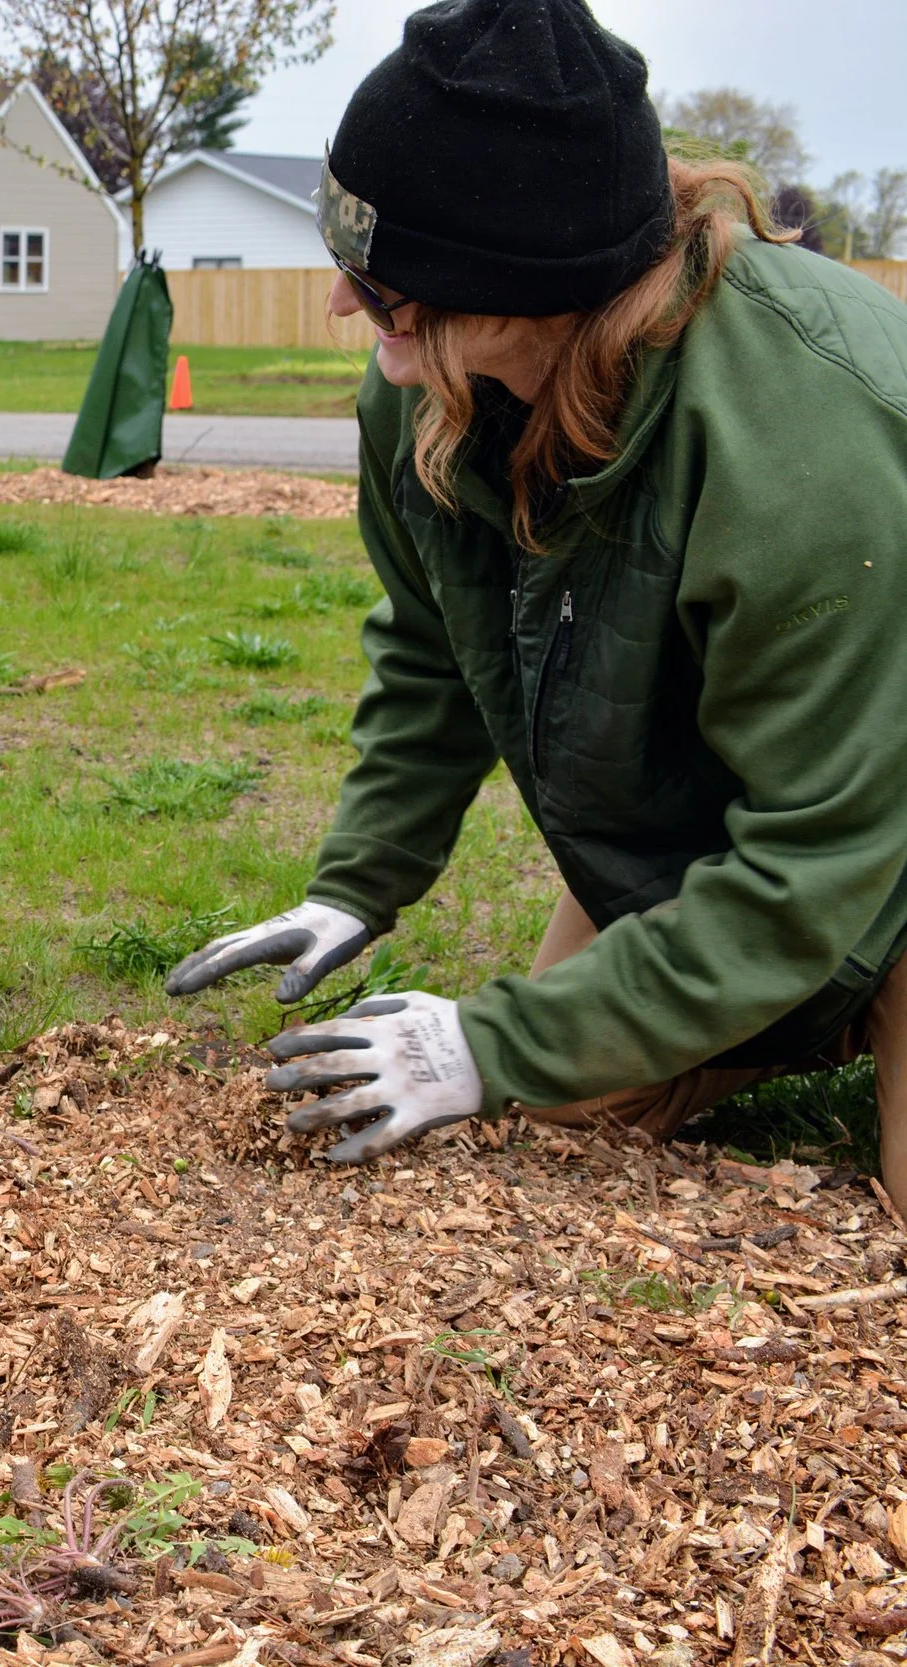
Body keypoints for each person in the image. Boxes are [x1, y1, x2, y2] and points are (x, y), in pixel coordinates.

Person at [163, 0, 907, 1200]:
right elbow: (431, 644)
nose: (343, 308)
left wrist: (484, 1038)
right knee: (556, 1118)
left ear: (515, 288)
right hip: (716, 823)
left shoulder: (803, 447)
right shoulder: (423, 389)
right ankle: (772, 1011)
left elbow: (813, 864)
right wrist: (356, 879)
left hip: (875, 826)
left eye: (383, 283)